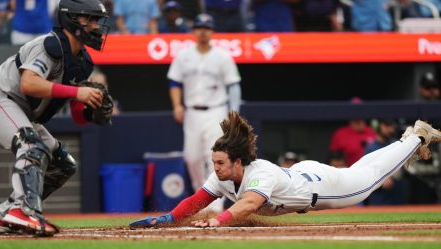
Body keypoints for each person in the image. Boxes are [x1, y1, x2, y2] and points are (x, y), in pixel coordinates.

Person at [130, 112, 441, 228]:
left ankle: (416, 137)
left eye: (221, 162)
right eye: (214, 163)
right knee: (364, 169)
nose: (216, 168)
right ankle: (406, 141)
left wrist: (218, 222)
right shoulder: (224, 175)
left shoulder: (258, 173)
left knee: (369, 178)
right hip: (302, 176)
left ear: (238, 162)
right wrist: (169, 218)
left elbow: (249, 204)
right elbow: (198, 201)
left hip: (324, 189)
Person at [0, 0, 109, 236]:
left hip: (21, 110)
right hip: (2, 96)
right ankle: (23, 210)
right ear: (71, 19)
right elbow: (29, 83)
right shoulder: (49, 44)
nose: (96, 26)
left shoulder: (83, 62)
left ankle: (5, 213)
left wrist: (90, 110)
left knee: (63, 164)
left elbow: (78, 117)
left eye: (97, 20)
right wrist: (78, 92)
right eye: (90, 19)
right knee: (30, 144)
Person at [167, 13, 241, 195]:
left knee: (215, 157)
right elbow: (174, 82)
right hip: (192, 112)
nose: (203, 32)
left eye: (207, 28)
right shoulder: (184, 55)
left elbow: (233, 86)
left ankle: (215, 201)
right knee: (191, 157)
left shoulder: (222, 56)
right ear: (194, 31)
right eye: (200, 28)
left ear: (212, 31)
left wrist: (233, 114)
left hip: (216, 111)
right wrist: (177, 105)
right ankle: (201, 196)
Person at [364, 119, 405, 205]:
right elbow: (366, 173)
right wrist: (381, 181)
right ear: (378, 127)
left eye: (391, 126)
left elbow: (402, 167)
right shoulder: (371, 148)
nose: (390, 129)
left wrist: (393, 177)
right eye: (386, 126)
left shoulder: (396, 144)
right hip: (378, 195)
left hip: (397, 192)